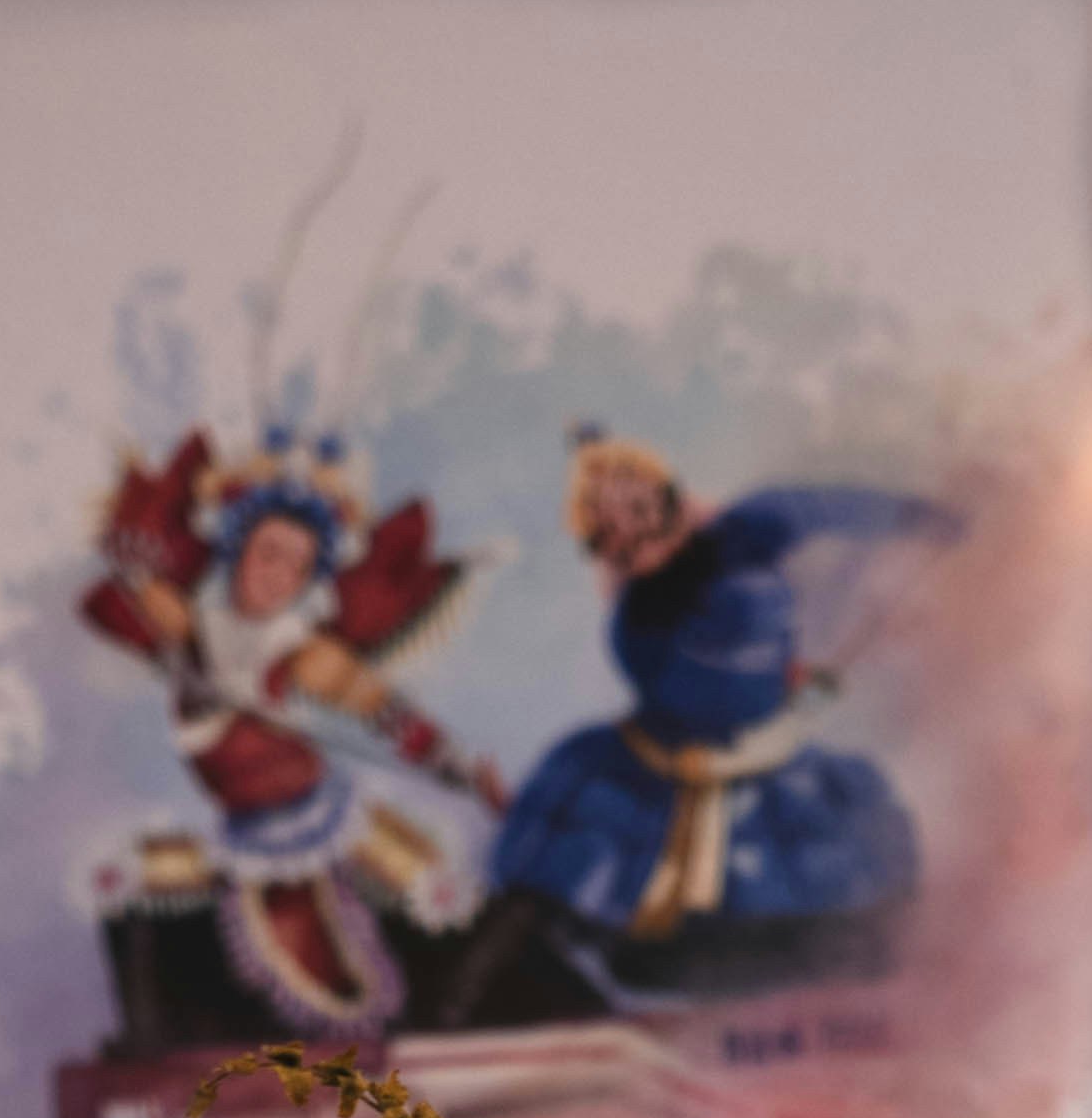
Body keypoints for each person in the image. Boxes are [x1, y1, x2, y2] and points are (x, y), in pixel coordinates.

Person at [457, 437, 964, 1018]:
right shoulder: (640, 607)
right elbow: (657, 672)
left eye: (640, 514)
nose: (629, 539)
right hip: (662, 754)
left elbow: (815, 507)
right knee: (583, 831)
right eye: (608, 532)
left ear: (668, 507)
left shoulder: (741, 542)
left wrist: (919, 518)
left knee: (830, 851)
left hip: (755, 753)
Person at [76, 427, 498, 1039]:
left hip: (326, 827)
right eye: (270, 554)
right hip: (239, 838)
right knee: (120, 884)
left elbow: (391, 716)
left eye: (298, 566)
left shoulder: (303, 654)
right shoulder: (194, 625)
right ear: (237, 550)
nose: (279, 576)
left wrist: (458, 767)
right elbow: (134, 591)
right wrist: (134, 562)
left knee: (420, 919)